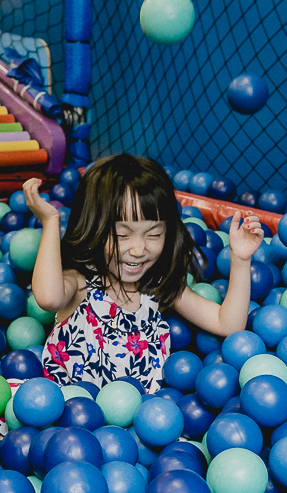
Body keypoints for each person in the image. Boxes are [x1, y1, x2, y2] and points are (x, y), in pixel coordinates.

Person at [24, 154, 263, 393]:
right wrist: (50, 221)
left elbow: (228, 324)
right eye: (123, 235)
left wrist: (240, 260)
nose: (138, 250)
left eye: (153, 235)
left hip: (143, 421)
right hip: (69, 410)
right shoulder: (79, 282)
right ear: (93, 227)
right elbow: (48, 298)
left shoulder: (158, 287)